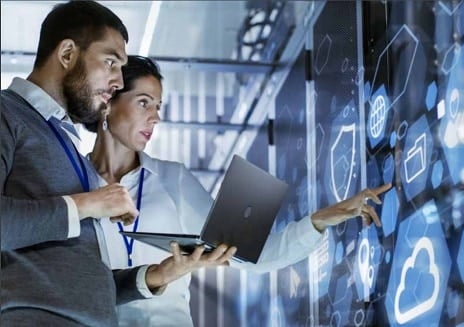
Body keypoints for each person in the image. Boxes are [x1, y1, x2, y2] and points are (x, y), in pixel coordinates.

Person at [85, 55, 392, 326]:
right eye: (143, 102)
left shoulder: (171, 178)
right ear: (108, 102)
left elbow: (256, 256)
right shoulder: (74, 187)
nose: (156, 116)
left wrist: (321, 219)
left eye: (158, 106)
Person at [0, 2, 233, 326]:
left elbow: (79, 283)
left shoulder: (63, 140)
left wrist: (157, 274)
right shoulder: (6, 113)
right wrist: (87, 204)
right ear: (67, 54)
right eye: (110, 62)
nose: (117, 80)